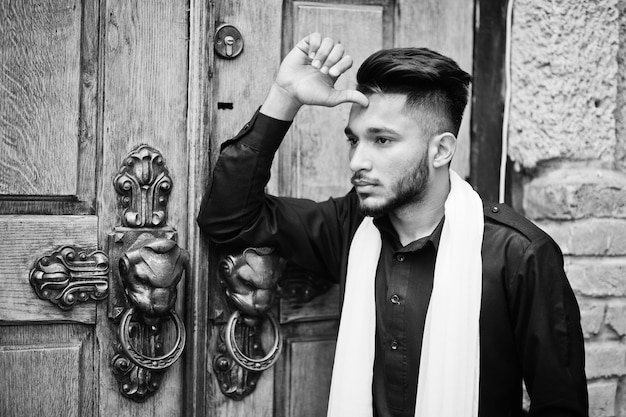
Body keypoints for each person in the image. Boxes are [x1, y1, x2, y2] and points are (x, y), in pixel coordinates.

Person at [198, 33, 588, 417]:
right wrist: (285, 96)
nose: (357, 162)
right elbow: (229, 218)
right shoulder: (351, 226)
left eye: (382, 141)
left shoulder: (519, 255)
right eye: (354, 140)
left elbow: (561, 405)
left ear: (441, 150)